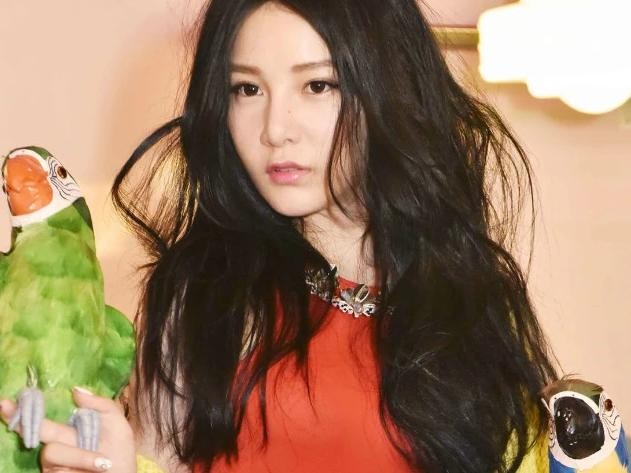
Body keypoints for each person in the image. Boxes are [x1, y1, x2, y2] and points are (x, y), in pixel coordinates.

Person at [1, 0, 560, 471]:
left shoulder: (472, 298)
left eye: (317, 85)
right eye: (247, 89)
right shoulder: (204, 297)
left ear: (389, 90)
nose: (275, 129)